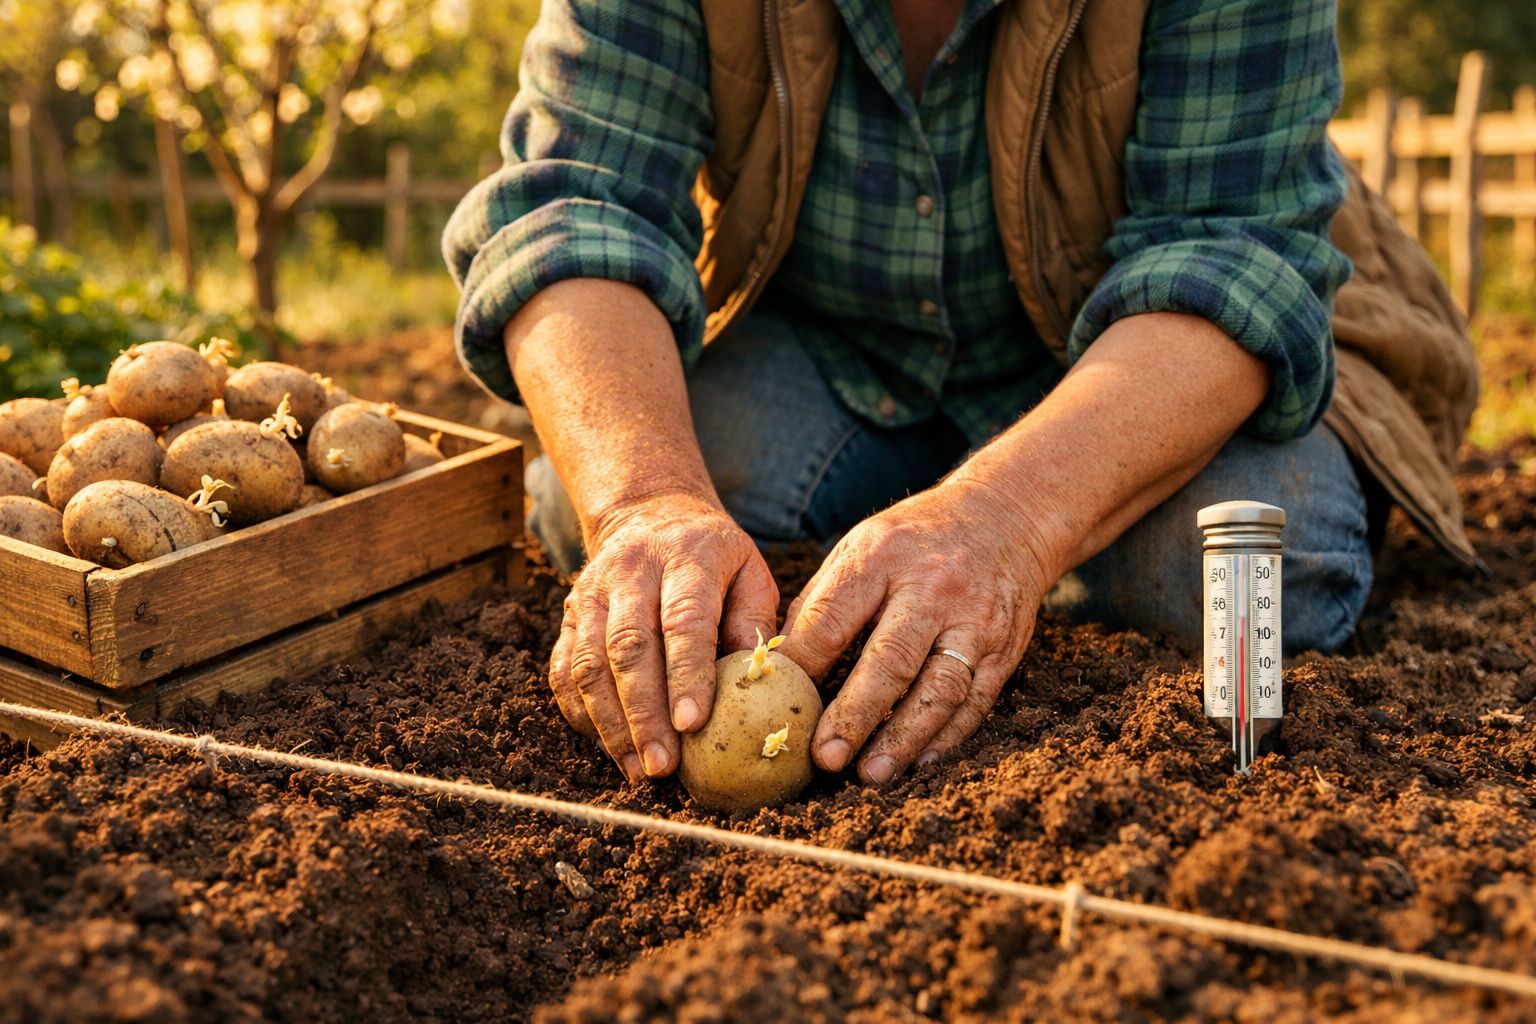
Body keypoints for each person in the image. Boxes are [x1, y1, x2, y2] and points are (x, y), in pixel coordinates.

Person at [445, 0, 1478, 788]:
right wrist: (647, 500)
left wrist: (1005, 521)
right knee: (607, 530)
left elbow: (1227, 252)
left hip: (1139, 349)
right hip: (834, 342)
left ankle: (970, 559)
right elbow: (581, 203)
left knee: (1247, 571)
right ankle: (914, 562)